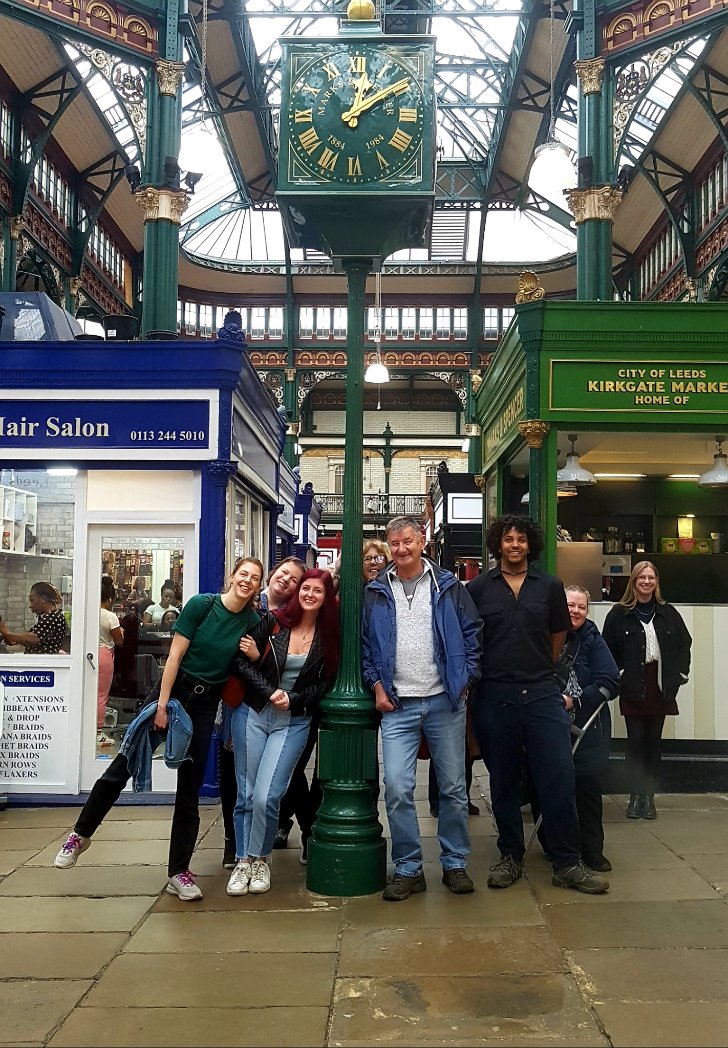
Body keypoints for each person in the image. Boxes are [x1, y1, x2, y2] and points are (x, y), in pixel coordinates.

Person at [53, 557, 264, 902]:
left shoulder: (252, 621)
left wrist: (255, 656)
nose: (248, 581)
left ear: (257, 587)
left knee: (189, 789)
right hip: (173, 691)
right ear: (233, 576)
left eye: (255, 579)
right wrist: (162, 705)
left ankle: (178, 872)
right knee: (123, 764)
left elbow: (254, 663)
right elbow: (175, 657)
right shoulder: (201, 605)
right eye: (244, 574)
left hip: (205, 704)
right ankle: (80, 835)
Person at [467, 514, 609, 895]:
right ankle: (510, 855)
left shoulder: (549, 586)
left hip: (542, 694)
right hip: (496, 697)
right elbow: (472, 642)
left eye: (521, 540)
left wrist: (542, 672)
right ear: (497, 544)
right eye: (508, 539)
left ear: (531, 545)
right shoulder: (479, 588)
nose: (515, 545)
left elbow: (557, 635)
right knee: (504, 783)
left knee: (558, 777)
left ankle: (567, 862)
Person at [362, 515, 482, 901]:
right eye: (394, 543)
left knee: (453, 788)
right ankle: (410, 867)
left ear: (422, 542)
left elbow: (472, 632)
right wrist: (377, 686)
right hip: (397, 704)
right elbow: (366, 646)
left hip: (444, 701)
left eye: (407, 541)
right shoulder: (377, 590)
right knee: (396, 787)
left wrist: (466, 679)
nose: (400, 549)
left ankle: (454, 863)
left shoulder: (447, 585)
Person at [225, 568, 340, 896]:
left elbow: (325, 683)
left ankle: (260, 859)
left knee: (268, 795)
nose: (309, 595)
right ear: (297, 591)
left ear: (325, 598)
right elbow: (240, 660)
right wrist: (268, 690)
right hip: (253, 713)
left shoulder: (329, 635)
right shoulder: (275, 620)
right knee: (246, 794)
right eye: (305, 588)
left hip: (293, 721)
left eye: (317, 591)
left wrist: (294, 698)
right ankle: (242, 862)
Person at [220, 555, 306, 867]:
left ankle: (265, 847)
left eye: (294, 578)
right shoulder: (251, 606)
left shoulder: (292, 618)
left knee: (275, 784)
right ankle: (237, 846)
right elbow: (237, 658)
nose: (285, 579)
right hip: (242, 701)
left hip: (278, 708)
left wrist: (259, 660)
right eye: (283, 572)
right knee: (238, 781)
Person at [531, 586, 620, 872]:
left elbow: (610, 680)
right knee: (545, 787)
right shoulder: (542, 634)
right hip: (546, 726)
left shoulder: (593, 640)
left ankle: (592, 851)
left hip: (588, 729)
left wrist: (576, 701)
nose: (575, 611)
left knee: (588, 790)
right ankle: (553, 846)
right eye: (570, 605)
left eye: (581, 607)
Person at [602, 561, 691, 820]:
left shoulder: (667, 612)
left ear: (657, 581)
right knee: (635, 743)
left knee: (653, 744)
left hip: (660, 685)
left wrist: (681, 672)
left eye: (651, 577)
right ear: (634, 581)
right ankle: (634, 796)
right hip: (633, 685)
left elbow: (684, 643)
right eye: (642, 577)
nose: (647, 581)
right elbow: (607, 647)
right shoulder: (619, 614)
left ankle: (648, 798)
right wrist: (619, 673)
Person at [0, 582, 66, 654]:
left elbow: (32, 639)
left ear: (43, 598)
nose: (30, 606)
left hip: (42, 663)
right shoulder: (49, 617)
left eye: (32, 601)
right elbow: (31, 640)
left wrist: (7, 633)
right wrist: (12, 638)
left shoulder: (53, 617)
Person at [98, 576, 124, 747]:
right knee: (101, 696)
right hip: (105, 655)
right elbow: (119, 641)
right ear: (109, 598)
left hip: (90, 654)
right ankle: (98, 733)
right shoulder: (110, 616)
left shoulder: (88, 611)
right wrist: (121, 630)